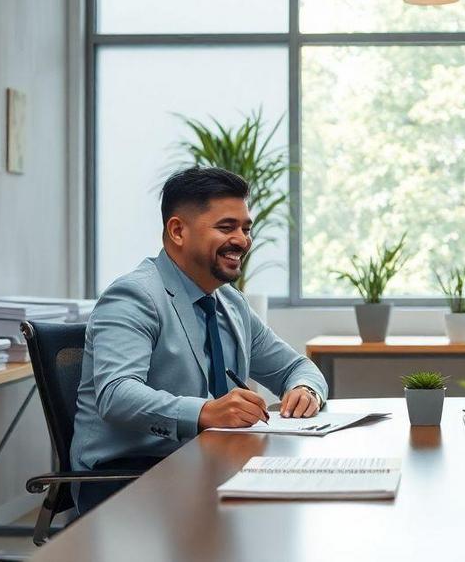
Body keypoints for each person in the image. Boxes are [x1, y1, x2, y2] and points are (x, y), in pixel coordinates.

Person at [70, 166, 327, 513]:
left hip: (207, 466)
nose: (242, 240)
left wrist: (305, 391)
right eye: (226, 227)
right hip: (131, 479)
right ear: (177, 230)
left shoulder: (230, 302)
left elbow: (296, 367)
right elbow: (116, 394)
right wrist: (206, 412)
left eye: (245, 228)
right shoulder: (134, 295)